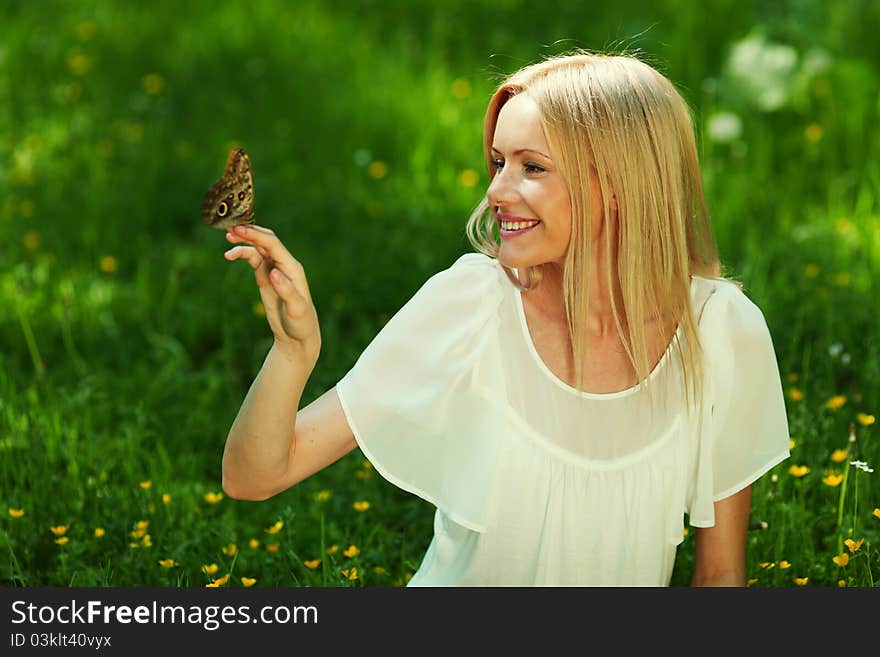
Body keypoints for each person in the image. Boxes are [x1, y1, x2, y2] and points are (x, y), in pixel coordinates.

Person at [220, 50, 791, 586]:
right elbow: (255, 476)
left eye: (532, 167)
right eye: (498, 162)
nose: (496, 190)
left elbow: (720, 577)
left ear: (618, 184)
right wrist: (293, 353)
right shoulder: (471, 306)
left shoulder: (719, 332)